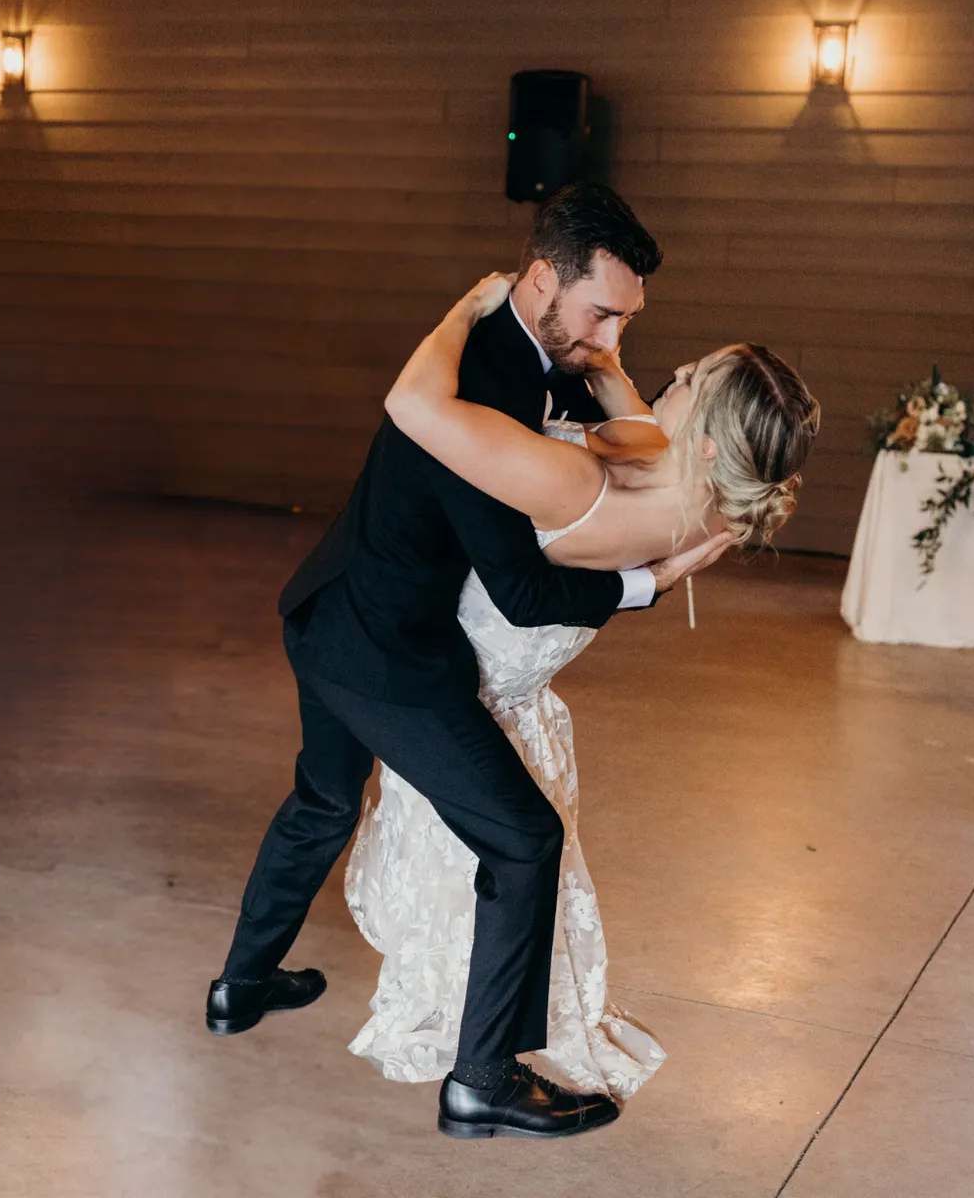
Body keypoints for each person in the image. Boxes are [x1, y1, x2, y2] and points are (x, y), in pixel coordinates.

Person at [205, 183, 731, 1140]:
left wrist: (608, 363)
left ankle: (240, 986)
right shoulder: (483, 382)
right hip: (386, 656)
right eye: (602, 312)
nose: (612, 336)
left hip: (325, 612)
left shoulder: (533, 349)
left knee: (323, 801)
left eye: (626, 317)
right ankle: (483, 1079)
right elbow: (523, 591)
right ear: (542, 280)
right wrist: (649, 585)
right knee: (523, 839)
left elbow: (641, 435)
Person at [344, 271, 820, 1106]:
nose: (674, 373)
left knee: (497, 872)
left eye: (693, 379)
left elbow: (418, 410)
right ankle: (487, 1061)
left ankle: (481, 1071)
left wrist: (472, 306)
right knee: (513, 870)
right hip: (518, 691)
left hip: (449, 681)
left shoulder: (581, 488)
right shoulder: (698, 496)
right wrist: (602, 353)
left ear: (710, 443)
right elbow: (639, 427)